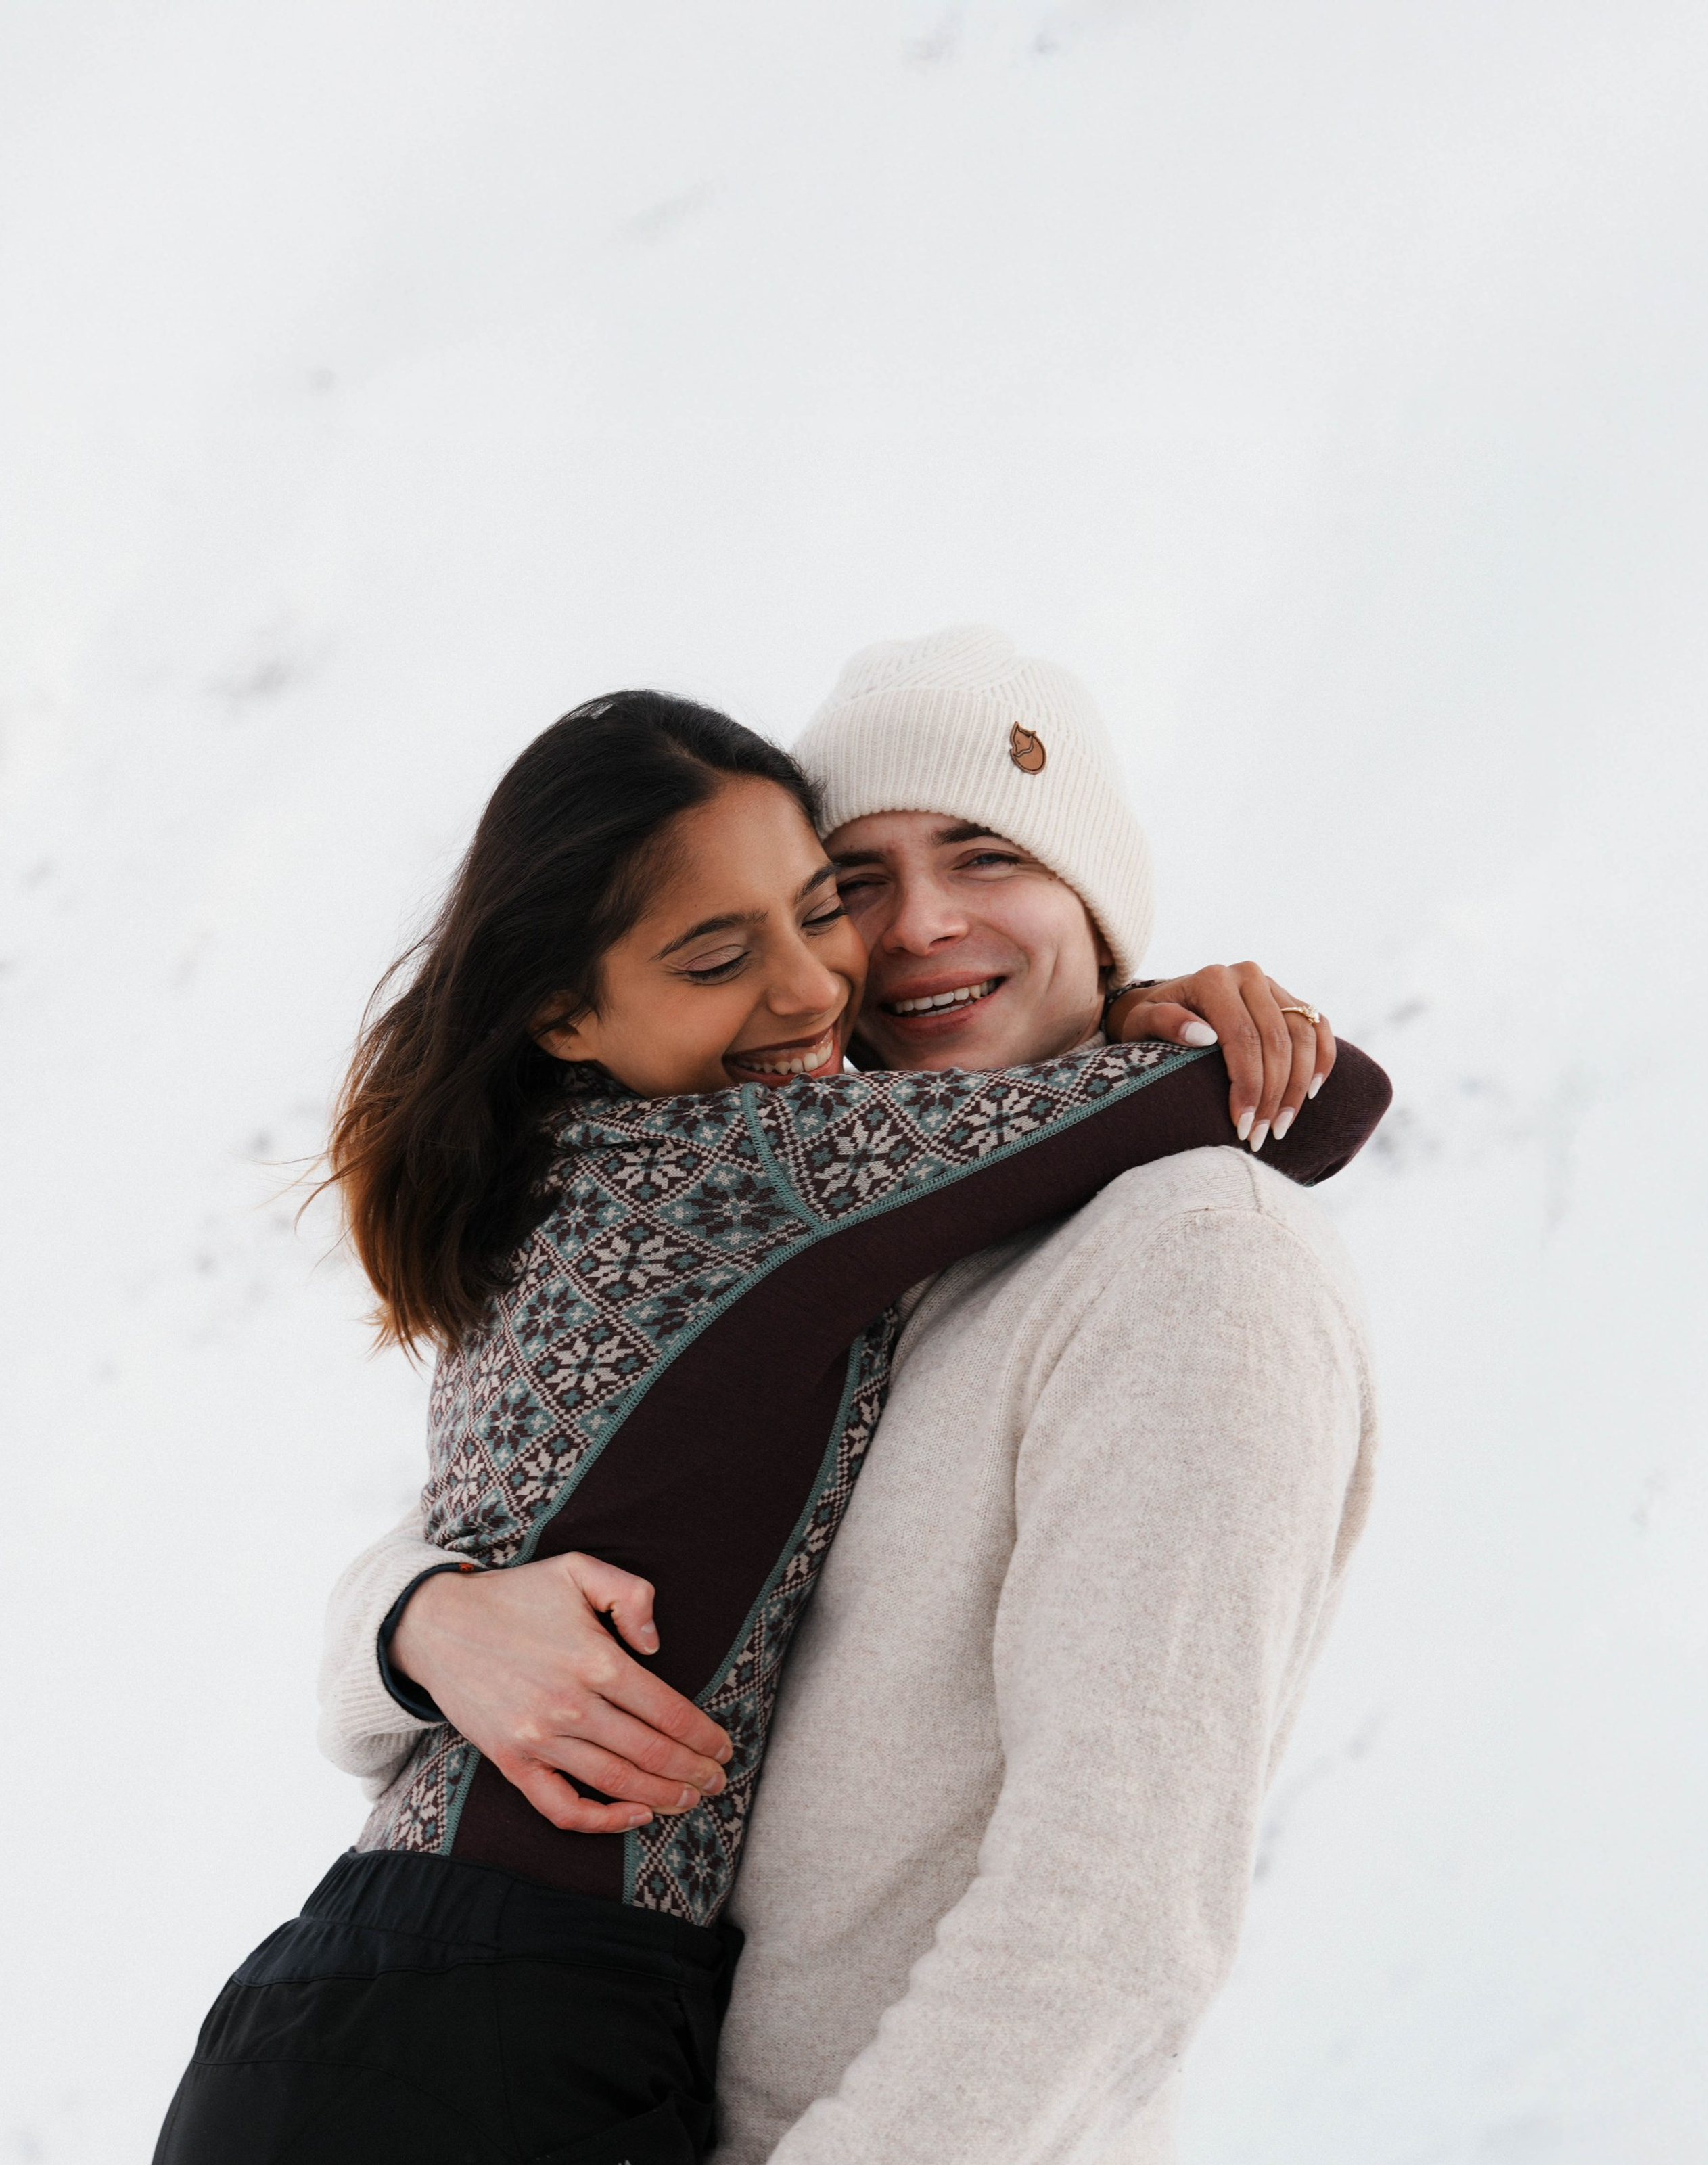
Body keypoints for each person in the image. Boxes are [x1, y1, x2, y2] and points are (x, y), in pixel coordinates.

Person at [158, 676, 1387, 2164]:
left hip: (416, 2014)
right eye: (858, 883)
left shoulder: (1169, 1253)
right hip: (495, 2032)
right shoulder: (769, 1197)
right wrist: (417, 1618)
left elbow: (1112, 1925)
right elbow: (1318, 1100)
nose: (879, 946)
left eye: (988, 857)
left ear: (1097, 890)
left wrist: (416, 1619)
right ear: (570, 1008)